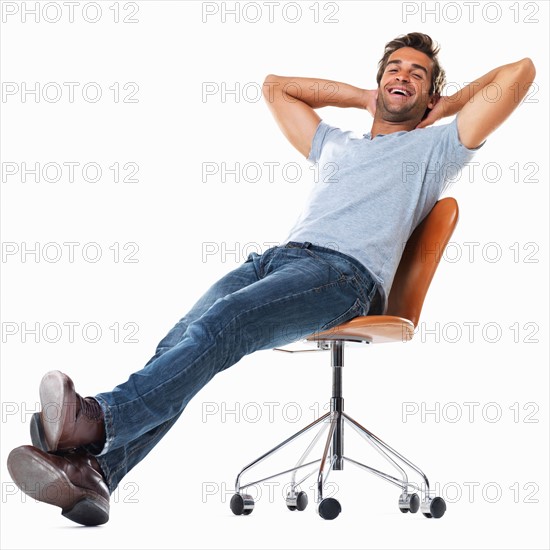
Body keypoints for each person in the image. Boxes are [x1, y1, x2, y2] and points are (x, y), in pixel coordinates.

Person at [7, 32, 535, 526]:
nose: (403, 76)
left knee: (224, 322)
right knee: (181, 341)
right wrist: (360, 98)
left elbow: (520, 72)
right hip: (276, 261)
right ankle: (96, 474)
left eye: (418, 74)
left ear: (431, 92)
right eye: (393, 68)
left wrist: (446, 107)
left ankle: (101, 420)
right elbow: (275, 87)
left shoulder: (436, 149)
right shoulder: (335, 143)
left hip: (343, 276)